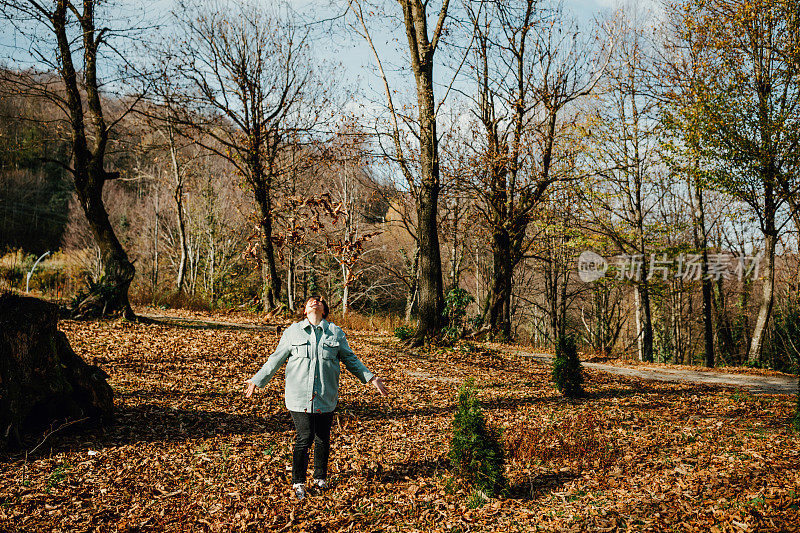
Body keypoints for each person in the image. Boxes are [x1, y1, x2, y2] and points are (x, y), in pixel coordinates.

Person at [244, 296, 388, 500]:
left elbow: (351, 359)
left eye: (319, 301)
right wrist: (257, 380)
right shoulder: (292, 332)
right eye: (310, 301)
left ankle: (320, 478)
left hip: (325, 396)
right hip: (298, 396)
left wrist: (371, 378)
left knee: (322, 438)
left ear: (324, 310)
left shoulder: (335, 333)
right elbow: (275, 359)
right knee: (305, 436)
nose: (315, 302)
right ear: (304, 311)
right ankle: (298, 482)